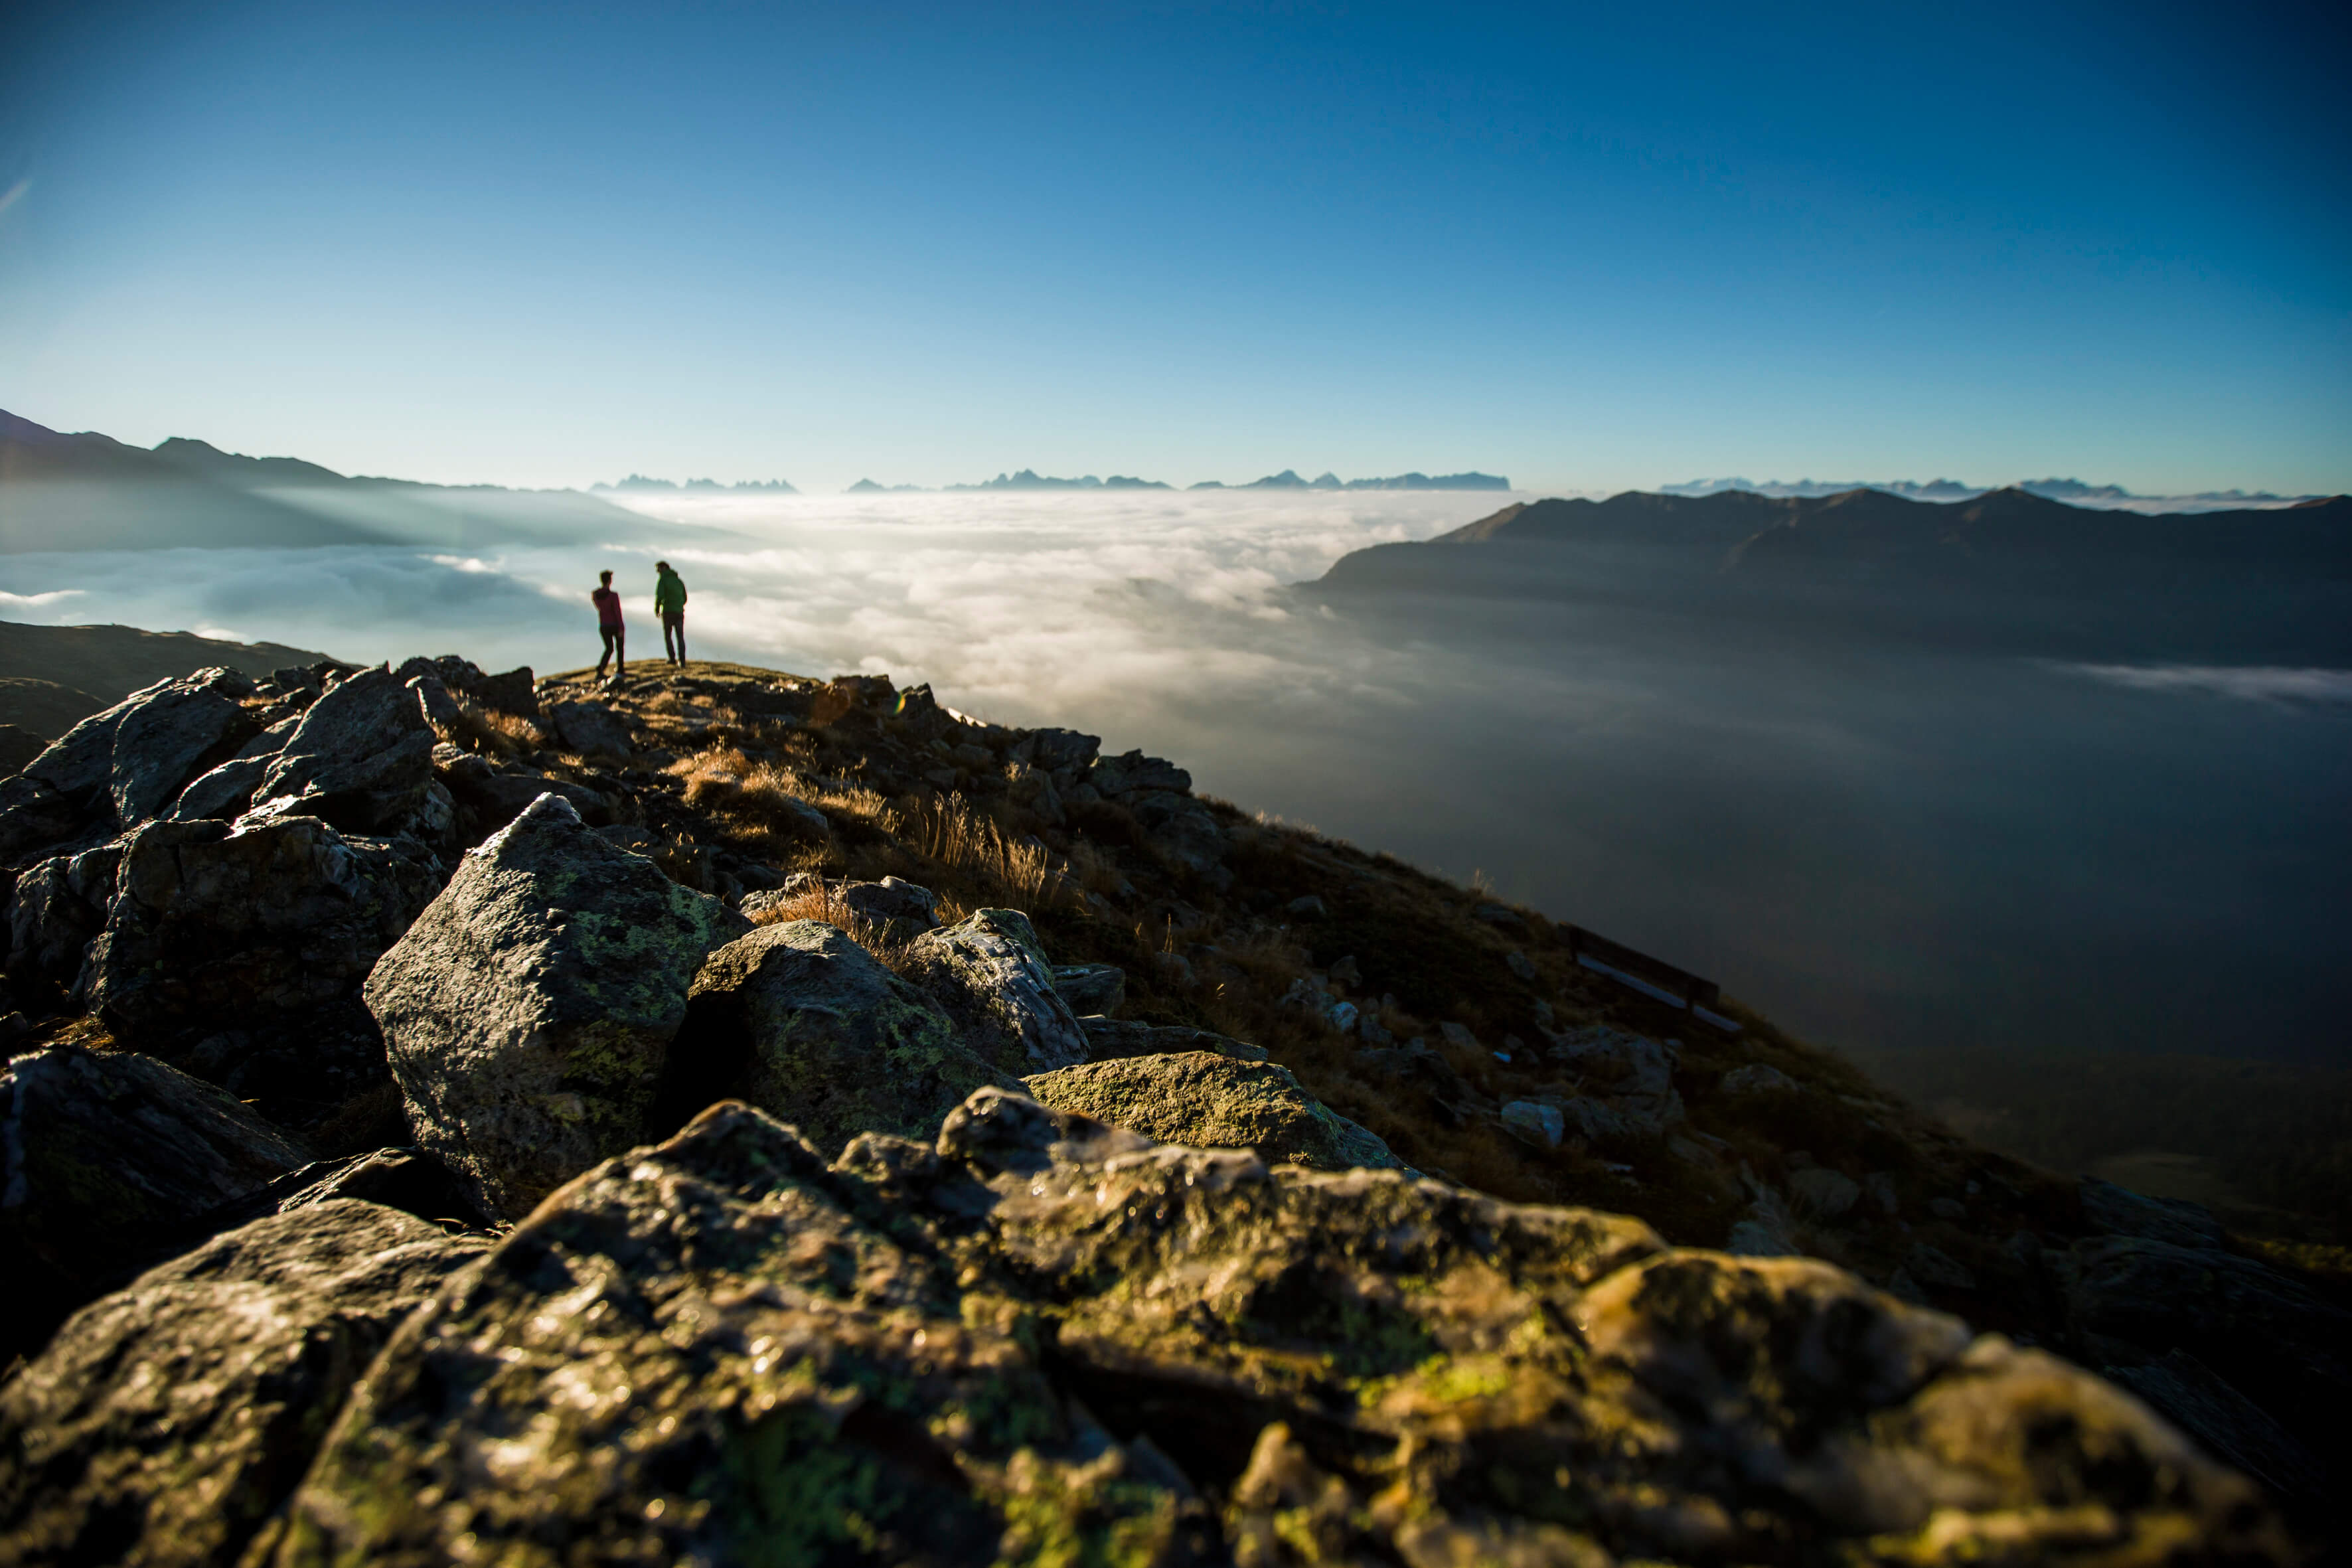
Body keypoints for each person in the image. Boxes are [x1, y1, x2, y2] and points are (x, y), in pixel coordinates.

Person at [591, 569, 625, 684]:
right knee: (619, 647)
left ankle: (601, 668)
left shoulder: (595, 595)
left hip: (603, 625)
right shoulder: (613, 596)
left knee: (609, 648)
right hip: (614, 624)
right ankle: (620, 669)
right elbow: (617, 612)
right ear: (610, 581)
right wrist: (621, 627)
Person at [654, 560, 688, 666]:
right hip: (679, 612)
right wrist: (679, 605)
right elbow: (685, 598)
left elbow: (660, 595)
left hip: (668, 611)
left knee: (668, 637)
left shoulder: (663, 580)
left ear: (663, 568)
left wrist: (657, 608)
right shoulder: (679, 581)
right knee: (680, 637)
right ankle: (682, 661)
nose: (658, 572)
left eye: (658, 569)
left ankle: (672, 659)